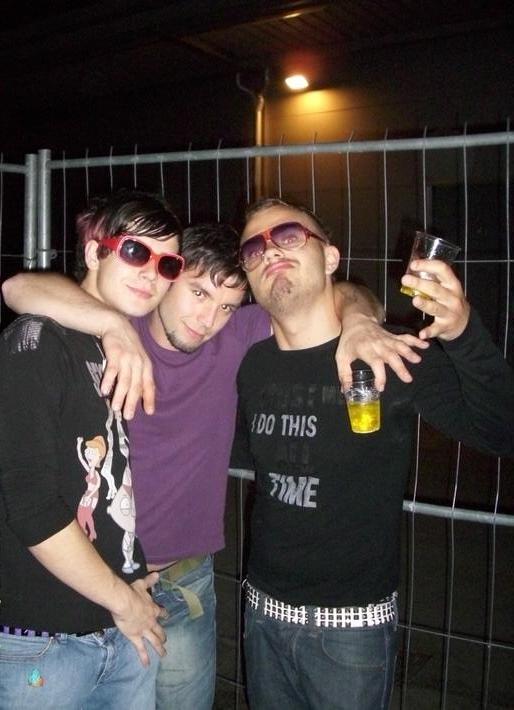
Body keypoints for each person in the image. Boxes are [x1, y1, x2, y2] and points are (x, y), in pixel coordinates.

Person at [2, 208, 428, 709]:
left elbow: (333, 294)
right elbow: (19, 288)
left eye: (227, 304)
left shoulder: (237, 335)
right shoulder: (118, 327)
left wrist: (358, 321)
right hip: (96, 580)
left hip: (185, 580)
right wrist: (114, 325)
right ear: (167, 278)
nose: (207, 320)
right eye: (199, 293)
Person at [230, 197, 514, 710]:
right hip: (261, 615)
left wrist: (462, 331)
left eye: (288, 236)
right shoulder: (252, 367)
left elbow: (501, 431)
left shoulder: (386, 352)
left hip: (351, 631)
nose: (269, 250)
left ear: (330, 257)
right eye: (254, 248)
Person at [0, 190, 184, 709]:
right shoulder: (37, 341)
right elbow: (31, 507)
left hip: (122, 633)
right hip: (45, 645)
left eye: (167, 263)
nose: (151, 273)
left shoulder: (113, 347)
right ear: (92, 253)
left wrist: (128, 586)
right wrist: (123, 600)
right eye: (136, 252)